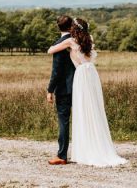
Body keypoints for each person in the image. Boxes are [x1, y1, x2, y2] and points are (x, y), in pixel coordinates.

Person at [47, 17, 127, 167]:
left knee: (76, 116)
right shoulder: (87, 39)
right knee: (92, 111)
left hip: (79, 79)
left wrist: (50, 89)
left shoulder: (69, 42)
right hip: (91, 75)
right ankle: (95, 147)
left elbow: (50, 52)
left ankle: (64, 154)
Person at [46, 15, 75, 165]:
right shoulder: (80, 41)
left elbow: (56, 71)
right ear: (71, 26)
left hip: (64, 89)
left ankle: (62, 155)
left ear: (58, 27)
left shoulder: (60, 44)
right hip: (81, 86)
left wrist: (50, 90)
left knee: (64, 122)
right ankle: (85, 151)